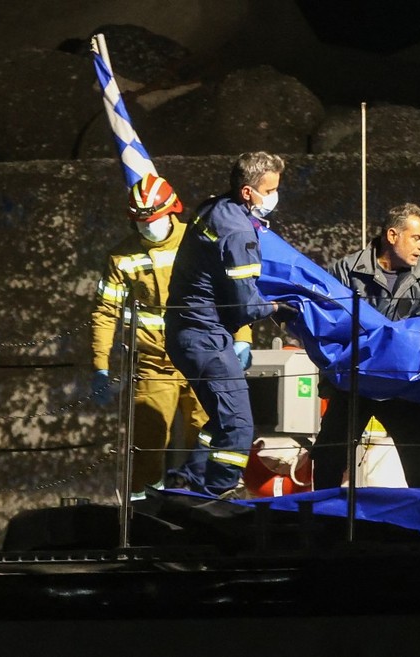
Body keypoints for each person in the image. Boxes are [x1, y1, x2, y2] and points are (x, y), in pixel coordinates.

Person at [90, 173, 254, 497]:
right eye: (140, 221)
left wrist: (243, 336)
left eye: (152, 219)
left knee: (210, 432)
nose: (146, 226)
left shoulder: (197, 240)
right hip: (154, 365)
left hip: (204, 357)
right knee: (148, 444)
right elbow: (105, 313)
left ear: (172, 211)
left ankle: (207, 501)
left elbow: (231, 290)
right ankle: (144, 508)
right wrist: (100, 365)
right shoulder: (121, 258)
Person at [163, 151, 292, 498]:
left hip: (187, 333)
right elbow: (245, 305)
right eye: (270, 190)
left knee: (220, 421)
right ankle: (219, 493)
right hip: (205, 337)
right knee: (238, 426)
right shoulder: (238, 232)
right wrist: (279, 307)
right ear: (248, 192)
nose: (275, 197)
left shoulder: (213, 208)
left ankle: (189, 480)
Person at [312, 203, 420, 489]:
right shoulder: (347, 271)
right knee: (329, 455)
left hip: (401, 387)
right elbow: (326, 326)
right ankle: (322, 514)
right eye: (417, 238)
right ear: (393, 236)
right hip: (354, 383)